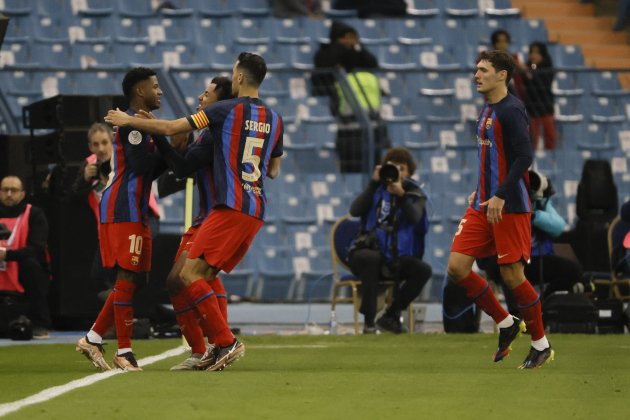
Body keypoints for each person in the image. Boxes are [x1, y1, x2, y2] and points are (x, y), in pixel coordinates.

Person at [105, 52, 283, 372]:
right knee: (192, 277)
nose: (202, 97)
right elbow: (273, 169)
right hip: (254, 206)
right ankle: (211, 348)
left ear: (239, 78)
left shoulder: (222, 112)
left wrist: (131, 120)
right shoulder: (275, 119)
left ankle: (223, 342)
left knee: (189, 276)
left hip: (227, 206)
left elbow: (175, 127)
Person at [446, 50, 554, 369]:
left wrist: (501, 193)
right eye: (476, 69)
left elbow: (523, 157)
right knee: (457, 267)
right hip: (483, 202)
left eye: (483, 70)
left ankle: (540, 344)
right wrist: (480, 188)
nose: (477, 75)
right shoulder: (488, 108)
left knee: (512, 275)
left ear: (502, 75)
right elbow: (493, 158)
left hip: (509, 205)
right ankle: (506, 323)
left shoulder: (512, 110)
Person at [76, 67, 166, 372]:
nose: (160, 91)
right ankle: (124, 351)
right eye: (155, 86)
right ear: (140, 91)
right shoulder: (132, 124)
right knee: (128, 278)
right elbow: (142, 166)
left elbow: (147, 168)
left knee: (136, 279)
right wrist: (169, 146)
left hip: (133, 208)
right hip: (122, 208)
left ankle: (94, 337)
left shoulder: (136, 122)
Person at [155, 76, 235, 371]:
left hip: (214, 218)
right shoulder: (211, 134)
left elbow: (182, 167)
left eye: (207, 93)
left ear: (220, 102)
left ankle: (214, 345)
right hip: (206, 216)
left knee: (183, 278)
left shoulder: (215, 134)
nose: (200, 97)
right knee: (186, 280)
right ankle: (206, 347)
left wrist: (157, 137)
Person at [72, 123, 161, 300]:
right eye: (96, 144)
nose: (101, 148)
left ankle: (121, 307)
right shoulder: (89, 165)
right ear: (90, 147)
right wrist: (85, 179)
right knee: (98, 276)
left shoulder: (125, 157)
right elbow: (76, 195)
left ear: (111, 140)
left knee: (128, 270)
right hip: (109, 226)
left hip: (141, 219)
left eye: (104, 142)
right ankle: (117, 307)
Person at [348, 147, 432, 334]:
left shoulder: (414, 194)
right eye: (393, 168)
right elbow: (354, 210)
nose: (398, 172)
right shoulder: (376, 189)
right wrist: (372, 184)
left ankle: (391, 316)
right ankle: (369, 323)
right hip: (366, 251)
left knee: (423, 270)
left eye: (402, 169)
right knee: (371, 258)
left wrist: (401, 195)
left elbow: (415, 217)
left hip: (395, 257)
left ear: (410, 173)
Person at [481, 170, 584, 314]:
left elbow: (559, 227)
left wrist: (534, 215)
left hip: (536, 259)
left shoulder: (539, 204)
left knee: (573, 270)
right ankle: (517, 316)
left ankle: (544, 302)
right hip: (508, 260)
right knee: (506, 267)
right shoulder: (502, 201)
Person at [0, 175, 51, 339]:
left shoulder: (34, 214)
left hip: (22, 265)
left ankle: (40, 323)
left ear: (22, 193)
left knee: (31, 265)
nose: (9, 194)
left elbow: (36, 248)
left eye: (13, 190)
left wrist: (7, 255)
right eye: (5, 190)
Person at [522, 42, 556, 150]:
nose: (533, 55)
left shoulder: (548, 68)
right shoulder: (528, 67)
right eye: (532, 52)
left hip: (546, 108)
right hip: (532, 109)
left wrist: (531, 73)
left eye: (537, 52)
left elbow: (543, 86)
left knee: (550, 137)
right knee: (532, 139)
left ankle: (551, 161)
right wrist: (529, 71)